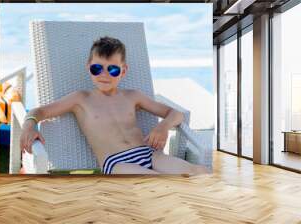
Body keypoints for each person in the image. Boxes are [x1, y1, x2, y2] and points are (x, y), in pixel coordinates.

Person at [20, 36, 209, 175]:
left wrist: (163, 126)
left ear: (123, 70)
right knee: (159, 184)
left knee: (197, 172)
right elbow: (40, 111)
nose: (104, 75)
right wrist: (29, 125)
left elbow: (176, 114)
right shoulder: (81, 99)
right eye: (97, 68)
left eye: (112, 69)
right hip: (116, 162)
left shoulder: (132, 96)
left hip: (148, 153)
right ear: (89, 67)